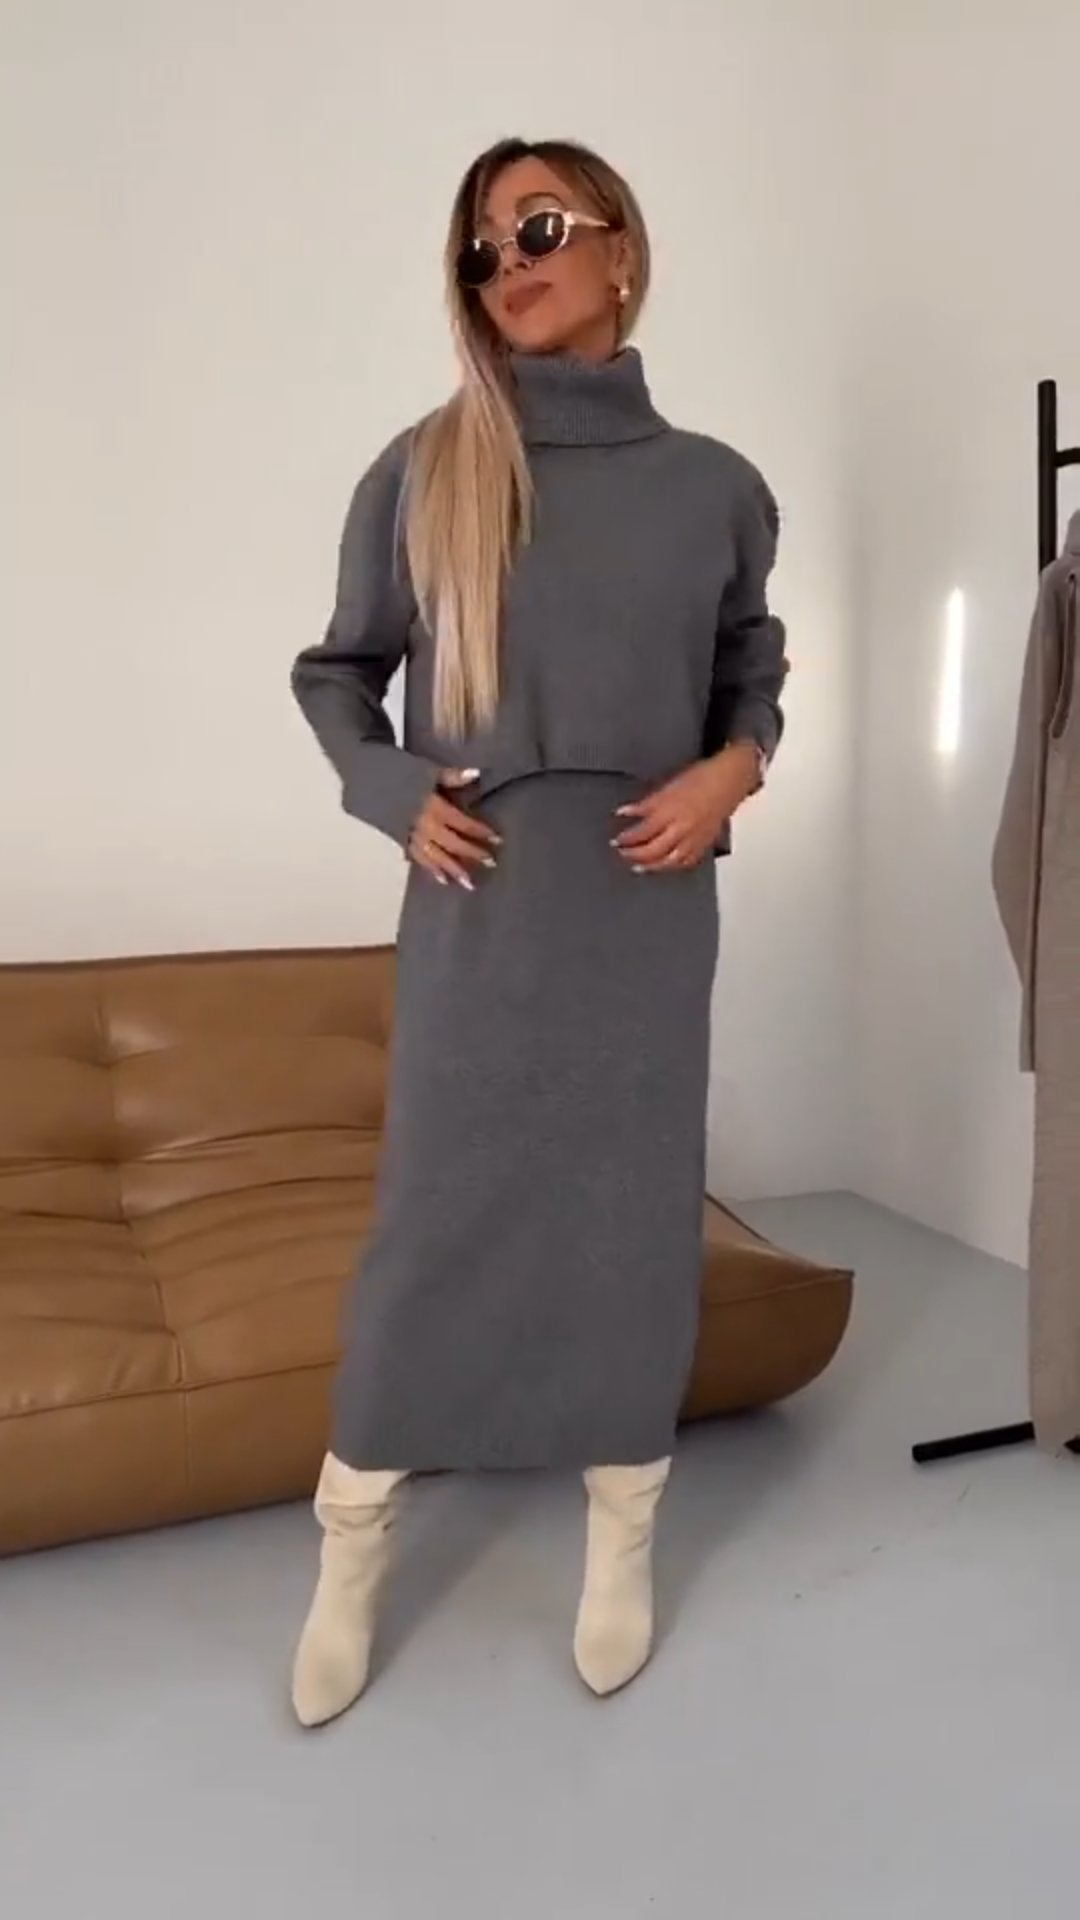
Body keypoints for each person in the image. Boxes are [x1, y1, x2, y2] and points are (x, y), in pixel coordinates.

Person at [289, 136, 787, 1726]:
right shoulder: (425, 469)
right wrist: (390, 792)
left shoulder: (718, 489)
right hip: (481, 897)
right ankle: (353, 1541)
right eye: (483, 248)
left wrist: (731, 773)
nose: (508, 262)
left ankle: (621, 1526)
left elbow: (752, 674)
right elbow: (336, 674)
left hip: (647, 902)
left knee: (632, 1216)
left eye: (541, 227)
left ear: (622, 249)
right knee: (433, 1220)